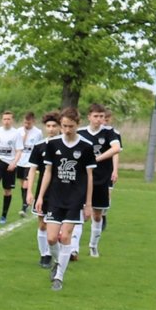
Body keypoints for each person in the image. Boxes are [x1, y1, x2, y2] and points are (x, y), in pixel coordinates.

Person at [35, 107, 95, 291]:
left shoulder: (86, 146)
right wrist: (40, 196)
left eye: (71, 126)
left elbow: (89, 176)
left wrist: (88, 204)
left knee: (65, 236)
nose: (67, 130)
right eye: (64, 126)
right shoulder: (53, 144)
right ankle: (57, 262)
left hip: (75, 198)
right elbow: (48, 172)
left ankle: (59, 277)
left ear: (78, 124)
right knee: (52, 238)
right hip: (55, 197)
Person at [77, 103, 121, 257]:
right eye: (95, 116)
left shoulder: (109, 132)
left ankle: (93, 246)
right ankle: (74, 248)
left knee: (97, 215)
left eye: (101, 116)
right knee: (79, 213)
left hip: (101, 179)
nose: (99, 119)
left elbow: (116, 148)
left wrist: (96, 159)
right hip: (83, 179)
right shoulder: (80, 132)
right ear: (89, 117)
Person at [24, 111, 61, 268]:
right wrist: (29, 191)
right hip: (43, 191)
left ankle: (60, 254)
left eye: (54, 126)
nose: (51, 129)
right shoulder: (39, 146)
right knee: (42, 224)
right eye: (48, 126)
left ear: (59, 127)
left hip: (61, 191)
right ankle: (44, 255)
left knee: (58, 225)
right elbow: (32, 170)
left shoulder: (64, 145)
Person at [0, 110, 24, 224]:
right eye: (4, 119)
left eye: (8, 119)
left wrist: (14, 163)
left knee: (7, 190)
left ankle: (3, 216)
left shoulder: (16, 133)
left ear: (12, 120)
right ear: (2, 120)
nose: (6, 121)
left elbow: (19, 150)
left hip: (10, 164)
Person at [16, 110, 44, 216]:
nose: (26, 125)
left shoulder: (38, 132)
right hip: (20, 161)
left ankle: (24, 207)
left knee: (26, 184)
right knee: (22, 184)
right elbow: (16, 146)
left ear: (33, 121)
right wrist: (23, 139)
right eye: (25, 122)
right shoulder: (19, 131)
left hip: (30, 162)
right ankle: (26, 202)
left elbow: (40, 147)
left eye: (29, 123)